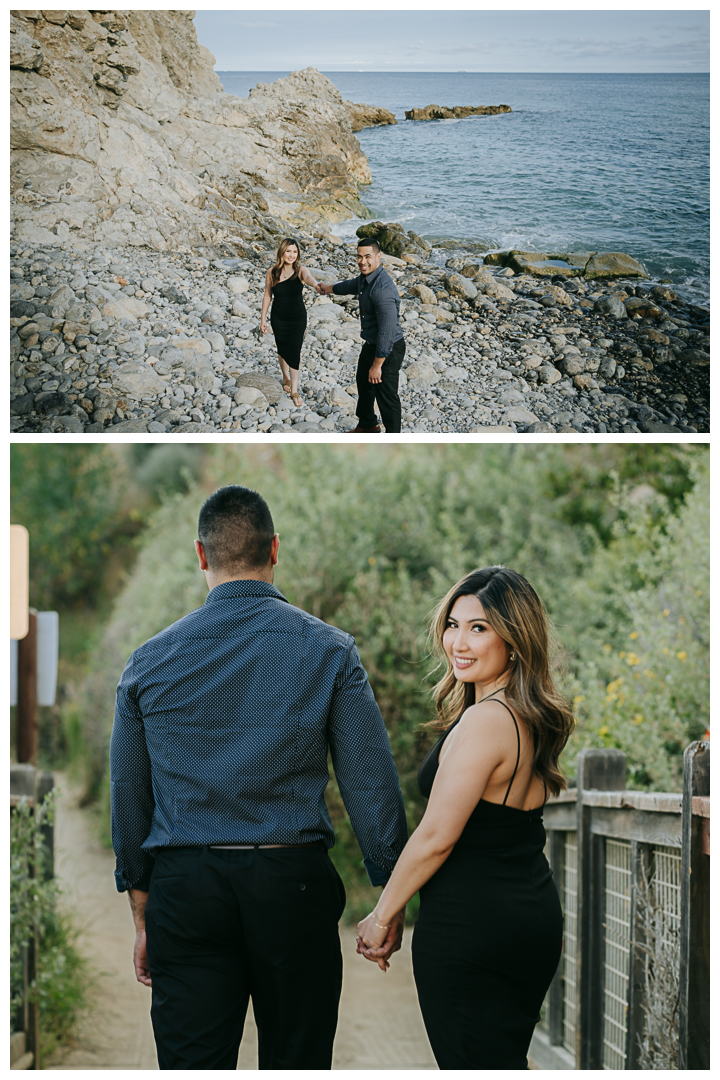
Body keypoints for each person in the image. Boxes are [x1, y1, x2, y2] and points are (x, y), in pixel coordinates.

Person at [110, 485, 407, 1070]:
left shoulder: (147, 661)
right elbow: (371, 786)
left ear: (201, 555)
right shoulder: (330, 650)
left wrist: (145, 911)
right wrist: (389, 898)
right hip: (290, 884)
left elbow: (128, 797)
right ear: (276, 549)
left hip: (186, 889)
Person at [356, 566, 575, 1069]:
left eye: (479, 628)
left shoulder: (486, 722)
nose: (459, 641)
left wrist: (383, 914)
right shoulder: (529, 719)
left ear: (515, 639)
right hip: (529, 918)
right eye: (454, 624)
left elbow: (435, 837)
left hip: (472, 928)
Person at [318, 238, 405, 433]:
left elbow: (387, 331)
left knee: (386, 395)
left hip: (388, 348)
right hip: (373, 342)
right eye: (359, 256)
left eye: (367, 257)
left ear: (378, 257)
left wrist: (377, 365)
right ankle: (368, 425)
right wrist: (329, 288)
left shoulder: (382, 290)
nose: (362, 261)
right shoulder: (366, 279)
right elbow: (350, 285)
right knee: (364, 383)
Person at [261, 237, 323, 408]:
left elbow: (309, 278)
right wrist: (263, 319)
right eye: (288, 251)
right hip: (278, 317)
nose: (291, 255)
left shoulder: (301, 269)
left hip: (297, 318)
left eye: (295, 251)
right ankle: (285, 376)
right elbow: (267, 295)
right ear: (282, 252)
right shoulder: (271, 272)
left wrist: (316, 285)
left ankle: (294, 389)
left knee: (294, 351)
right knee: (282, 348)